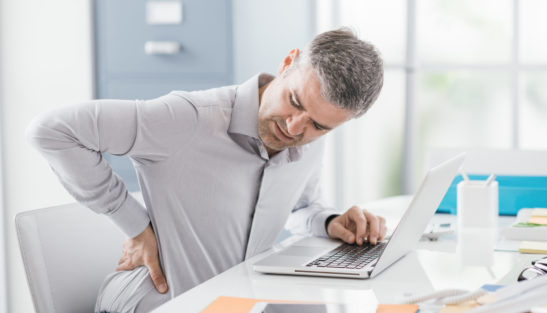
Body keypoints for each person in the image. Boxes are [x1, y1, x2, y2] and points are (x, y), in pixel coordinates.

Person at [27, 28, 385, 313]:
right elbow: (52, 131)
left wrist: (329, 221)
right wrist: (136, 226)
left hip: (238, 300)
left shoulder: (308, 139)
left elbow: (302, 208)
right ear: (288, 62)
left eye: (319, 126)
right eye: (293, 101)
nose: (294, 128)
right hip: (163, 300)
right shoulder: (187, 118)